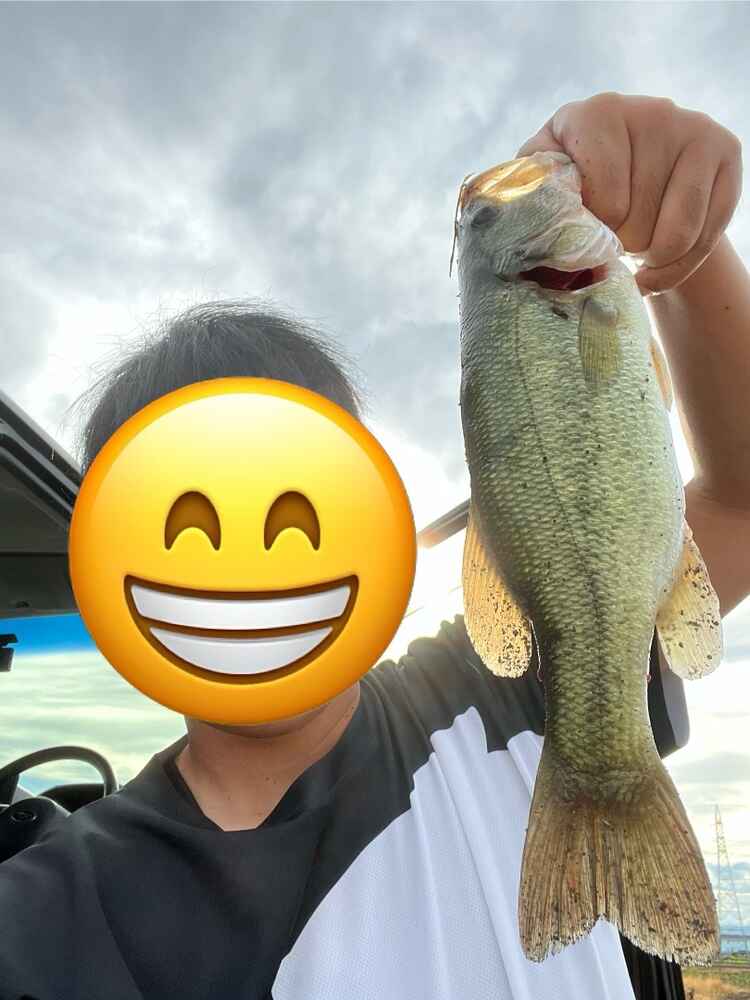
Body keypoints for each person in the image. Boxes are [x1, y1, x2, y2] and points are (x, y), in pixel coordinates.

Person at [1, 91, 748, 1000]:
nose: (253, 552)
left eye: (299, 496)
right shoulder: (43, 919)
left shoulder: (504, 691)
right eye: (186, 521)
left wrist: (685, 254)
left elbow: (739, 503)